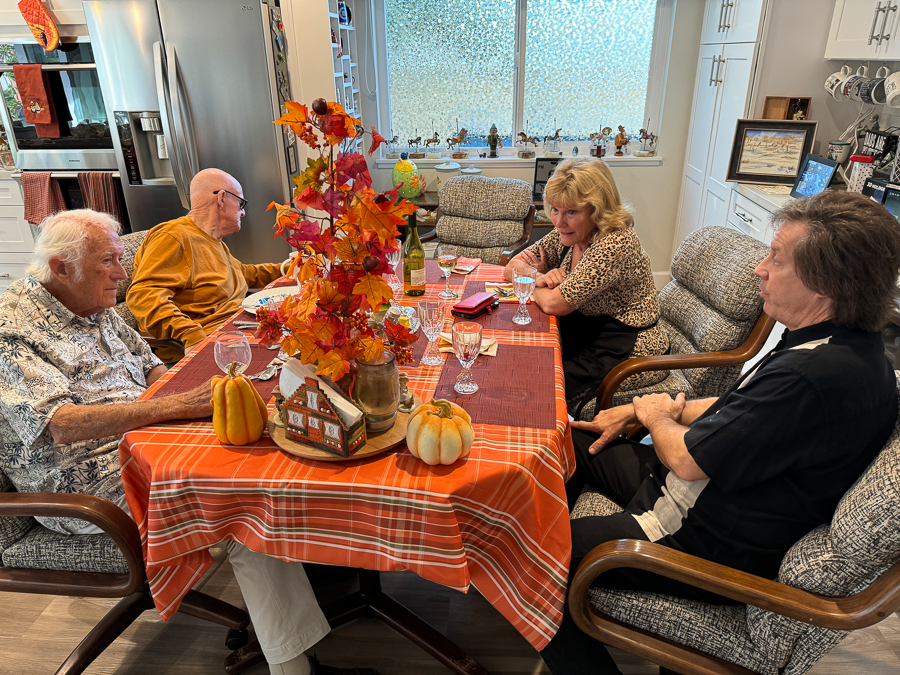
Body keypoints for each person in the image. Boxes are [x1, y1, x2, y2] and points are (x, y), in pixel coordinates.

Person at [0, 210, 377, 675]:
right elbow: (61, 424)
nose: (122, 274)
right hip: (85, 484)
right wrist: (175, 407)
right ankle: (296, 669)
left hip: (144, 438)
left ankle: (317, 563)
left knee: (265, 435)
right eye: (108, 262)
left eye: (119, 259)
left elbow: (150, 365)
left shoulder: (91, 304)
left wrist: (183, 401)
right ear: (61, 268)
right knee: (237, 505)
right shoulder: (12, 330)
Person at [540, 190, 900, 675]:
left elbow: (686, 460)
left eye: (776, 258)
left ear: (825, 283)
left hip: (692, 538)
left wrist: (656, 417)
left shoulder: (814, 378)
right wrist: (641, 408)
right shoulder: (841, 346)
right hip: (694, 493)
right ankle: (552, 519)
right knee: (564, 439)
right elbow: (744, 409)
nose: (760, 269)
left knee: (525, 554)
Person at [503, 156, 667, 417]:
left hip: (626, 348)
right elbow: (511, 266)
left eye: (571, 212)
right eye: (555, 210)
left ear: (598, 209)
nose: (558, 222)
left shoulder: (615, 243)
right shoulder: (571, 233)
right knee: (519, 358)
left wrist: (535, 283)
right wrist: (537, 276)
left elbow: (554, 304)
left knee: (534, 384)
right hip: (585, 332)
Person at [127, 168, 282, 362]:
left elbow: (240, 273)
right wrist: (189, 333)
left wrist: (285, 268)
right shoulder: (173, 236)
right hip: (213, 341)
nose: (243, 212)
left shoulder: (213, 240)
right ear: (222, 198)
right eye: (241, 203)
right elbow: (143, 295)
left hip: (239, 325)